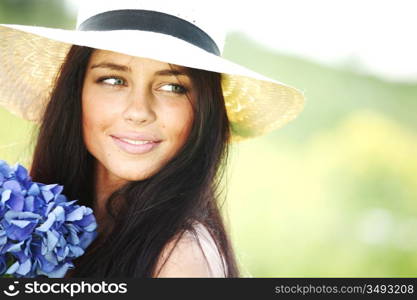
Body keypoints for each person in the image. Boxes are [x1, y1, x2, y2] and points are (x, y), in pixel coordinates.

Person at [0, 0, 305, 277]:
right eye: (113, 80)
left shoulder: (180, 260)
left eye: (172, 87)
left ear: (203, 111)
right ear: (75, 92)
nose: (139, 111)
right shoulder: (36, 214)